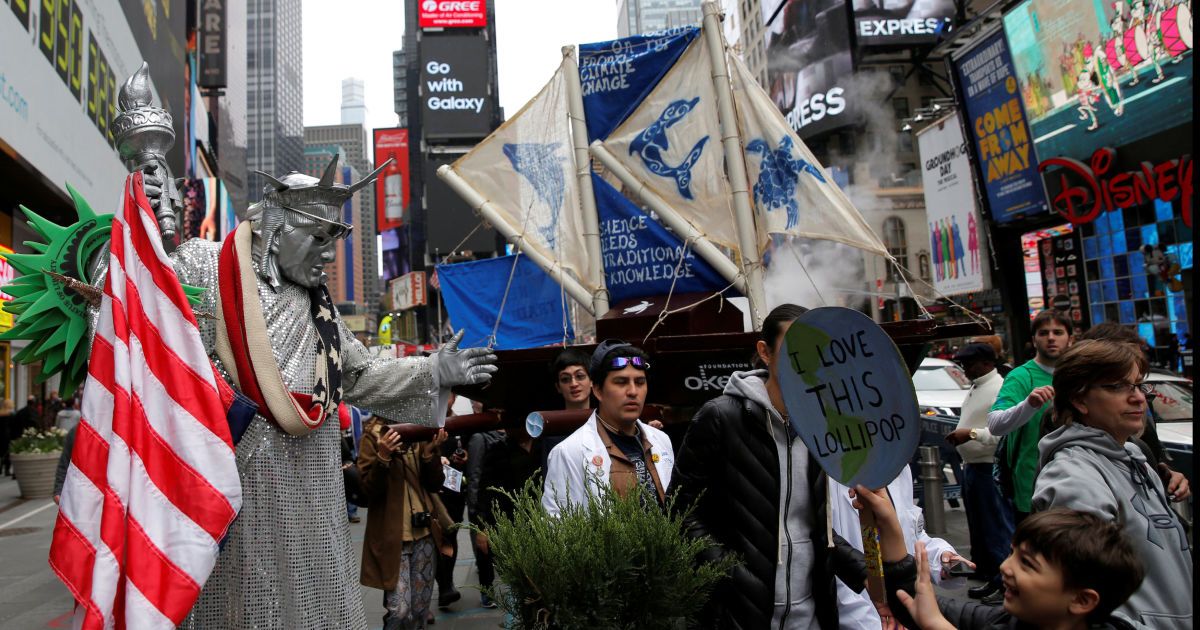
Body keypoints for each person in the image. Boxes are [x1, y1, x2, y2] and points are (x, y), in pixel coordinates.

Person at [668, 304, 845, 629]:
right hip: (741, 613)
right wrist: (729, 573)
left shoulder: (820, 423)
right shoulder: (721, 417)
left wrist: (873, 568)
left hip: (811, 613)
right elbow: (680, 511)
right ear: (765, 351)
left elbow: (813, 524)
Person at [1032, 340, 1192, 628]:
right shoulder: (1072, 474)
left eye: (1138, 385)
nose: (1138, 398)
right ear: (1079, 400)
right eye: (1116, 386)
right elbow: (1079, 595)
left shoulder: (1135, 455)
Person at [853, 483, 1146, 630]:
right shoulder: (1006, 620)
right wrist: (890, 528)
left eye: (1027, 564)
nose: (1005, 567)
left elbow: (932, 617)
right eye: (1012, 554)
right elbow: (914, 602)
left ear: (1082, 600)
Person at [542, 340, 673, 516]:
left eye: (640, 382)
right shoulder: (568, 452)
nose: (633, 391)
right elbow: (557, 528)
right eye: (621, 382)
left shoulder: (661, 441)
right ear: (598, 391)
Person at [828, 466, 968, 629]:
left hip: (903, 606)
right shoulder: (827, 476)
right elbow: (834, 560)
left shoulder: (898, 468)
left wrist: (940, 556)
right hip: (864, 617)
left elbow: (911, 532)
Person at [358, 419, 448, 630]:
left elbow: (435, 483)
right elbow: (367, 490)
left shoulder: (420, 431)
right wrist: (383, 456)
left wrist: (429, 454)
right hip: (392, 538)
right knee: (399, 610)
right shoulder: (373, 436)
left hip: (424, 534)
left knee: (419, 611)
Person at [988, 309, 1072, 522]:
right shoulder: (1020, 377)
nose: (1051, 338)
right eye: (1044, 333)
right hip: (1032, 489)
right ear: (1034, 340)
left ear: (1070, 338)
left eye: (1058, 332)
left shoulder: (1080, 374)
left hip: (1078, 485)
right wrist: (1029, 405)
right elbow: (995, 425)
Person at [945, 342, 1014, 602]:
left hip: (988, 466)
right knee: (980, 526)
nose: (965, 369)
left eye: (969, 364)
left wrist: (971, 434)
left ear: (986, 363)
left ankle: (1001, 580)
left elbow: (1002, 434)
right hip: (974, 466)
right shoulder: (978, 386)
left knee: (995, 527)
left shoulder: (998, 389)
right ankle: (987, 571)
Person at [53, 424, 78, 504]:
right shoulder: (76, 431)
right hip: (82, 495)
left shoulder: (116, 433)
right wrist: (59, 490)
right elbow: (64, 464)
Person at [0, 399, 14, 477]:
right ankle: (7, 470)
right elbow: (13, 426)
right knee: (7, 452)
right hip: (8, 435)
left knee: (1, 452)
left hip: (1, 435)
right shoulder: (11, 415)